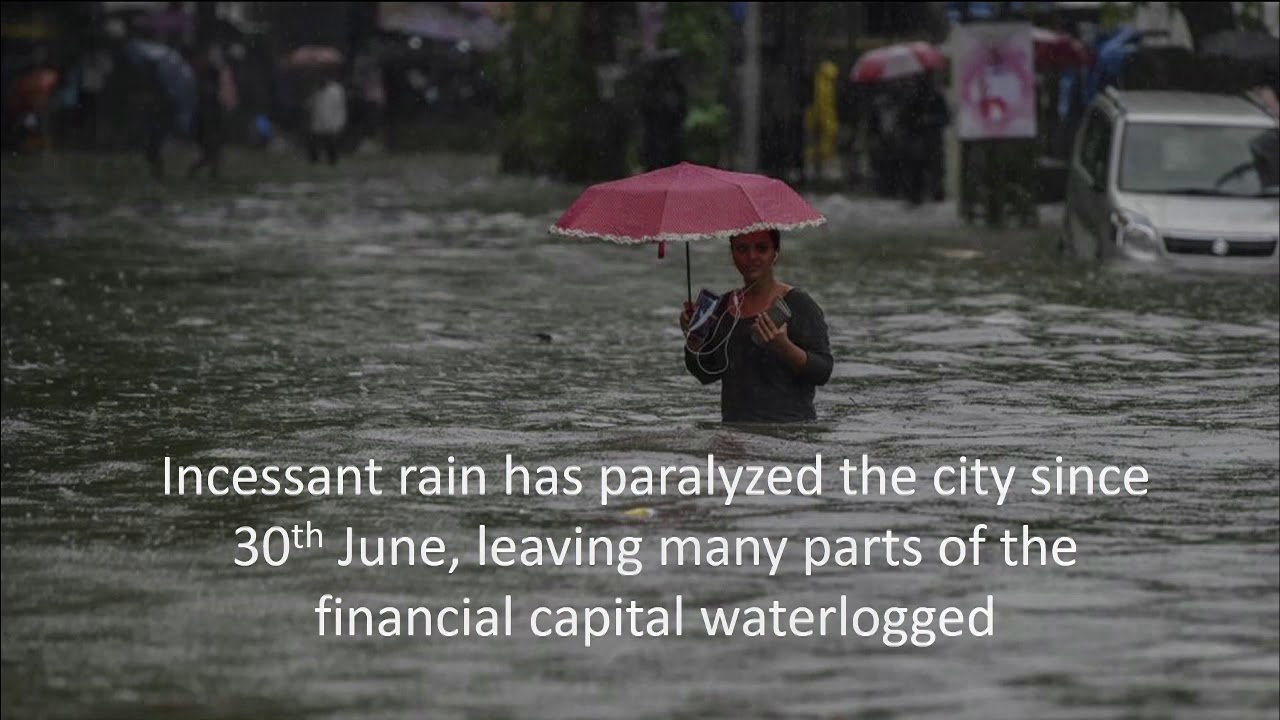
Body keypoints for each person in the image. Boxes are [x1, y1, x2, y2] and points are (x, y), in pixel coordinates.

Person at [679, 230, 833, 423]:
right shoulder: (723, 306)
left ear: (775, 253)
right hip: (736, 434)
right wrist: (694, 339)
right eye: (742, 249)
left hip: (790, 432)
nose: (752, 257)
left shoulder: (798, 304)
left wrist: (784, 347)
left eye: (761, 248)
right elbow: (706, 374)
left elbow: (823, 371)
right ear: (732, 254)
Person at [306, 76, 346, 165]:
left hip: (332, 122)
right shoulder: (316, 91)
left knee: (331, 143)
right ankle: (314, 160)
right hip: (318, 122)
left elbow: (339, 106)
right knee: (314, 142)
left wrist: (339, 121)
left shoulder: (335, 90)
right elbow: (311, 104)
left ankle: (332, 160)